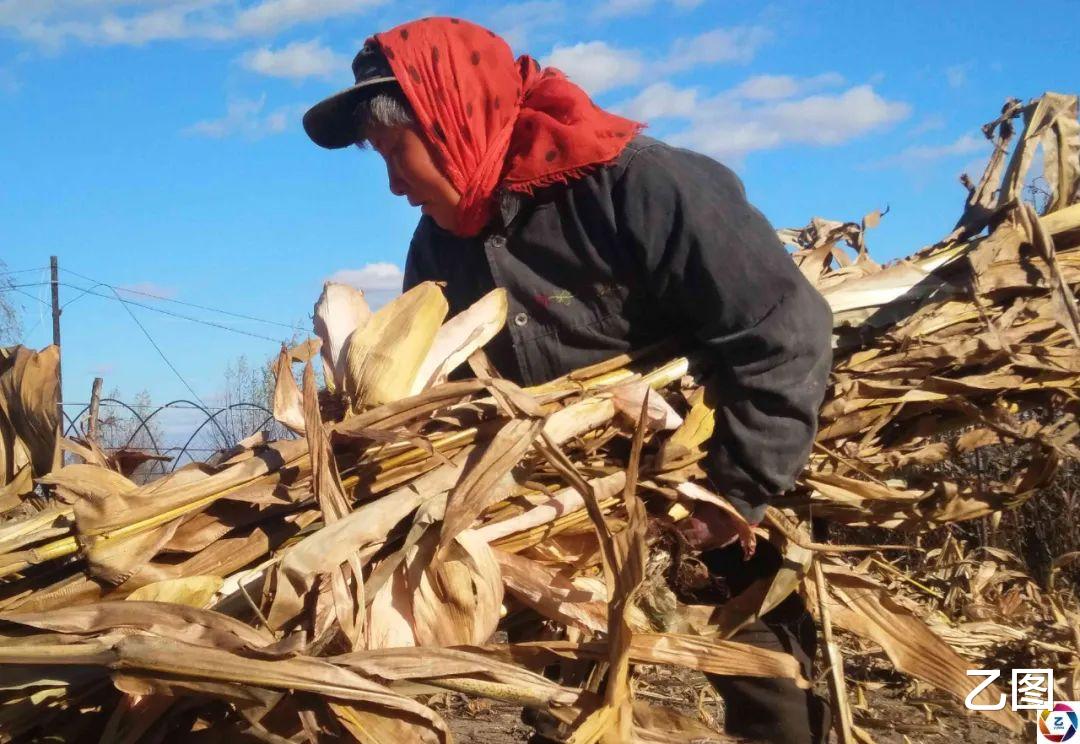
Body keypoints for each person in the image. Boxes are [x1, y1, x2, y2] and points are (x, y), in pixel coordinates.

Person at [303, 17, 833, 743]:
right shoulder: (439, 245)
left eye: (399, 152)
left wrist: (734, 490)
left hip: (705, 486)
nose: (395, 184)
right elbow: (440, 396)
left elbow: (783, 332)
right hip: (567, 523)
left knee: (771, 685)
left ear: (455, 118)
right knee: (567, 708)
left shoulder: (639, 185)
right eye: (383, 162)